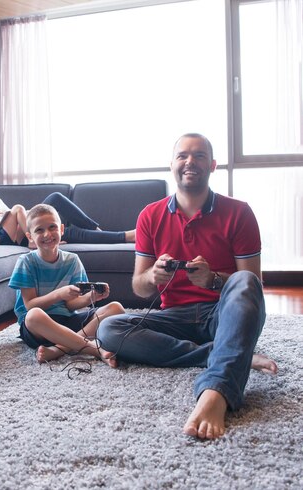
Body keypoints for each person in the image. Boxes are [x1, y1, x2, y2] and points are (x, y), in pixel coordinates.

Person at [96, 133, 278, 440]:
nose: (189, 162)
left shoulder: (239, 212)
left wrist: (212, 280)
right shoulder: (150, 215)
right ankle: (223, 354)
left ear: (213, 165)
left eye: (199, 156)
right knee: (109, 330)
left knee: (243, 281)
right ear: (172, 165)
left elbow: (252, 285)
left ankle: (216, 391)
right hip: (174, 317)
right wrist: (153, 276)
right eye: (182, 156)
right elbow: (140, 289)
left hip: (221, 314)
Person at [9, 203, 125, 365]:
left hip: (66, 319)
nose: (47, 234)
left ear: (62, 229)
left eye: (52, 227)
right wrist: (59, 294)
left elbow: (70, 305)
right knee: (34, 315)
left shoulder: (72, 260)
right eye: (39, 230)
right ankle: (94, 349)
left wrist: (90, 297)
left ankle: (60, 348)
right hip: (39, 328)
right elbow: (29, 305)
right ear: (30, 237)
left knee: (116, 308)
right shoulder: (26, 262)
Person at [0, 158, 135, 246]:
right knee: (69, 232)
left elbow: (7, 212)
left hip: (18, 224)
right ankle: (124, 236)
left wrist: (29, 216)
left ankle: (98, 231)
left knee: (55, 199)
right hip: (13, 236)